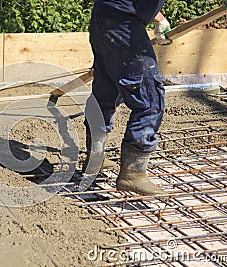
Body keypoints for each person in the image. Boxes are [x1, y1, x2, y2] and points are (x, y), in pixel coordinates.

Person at [82, 0, 171, 195]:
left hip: (104, 18)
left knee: (105, 92)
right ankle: (133, 173)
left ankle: (94, 156)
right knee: (150, 98)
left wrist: (159, 18)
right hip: (124, 25)